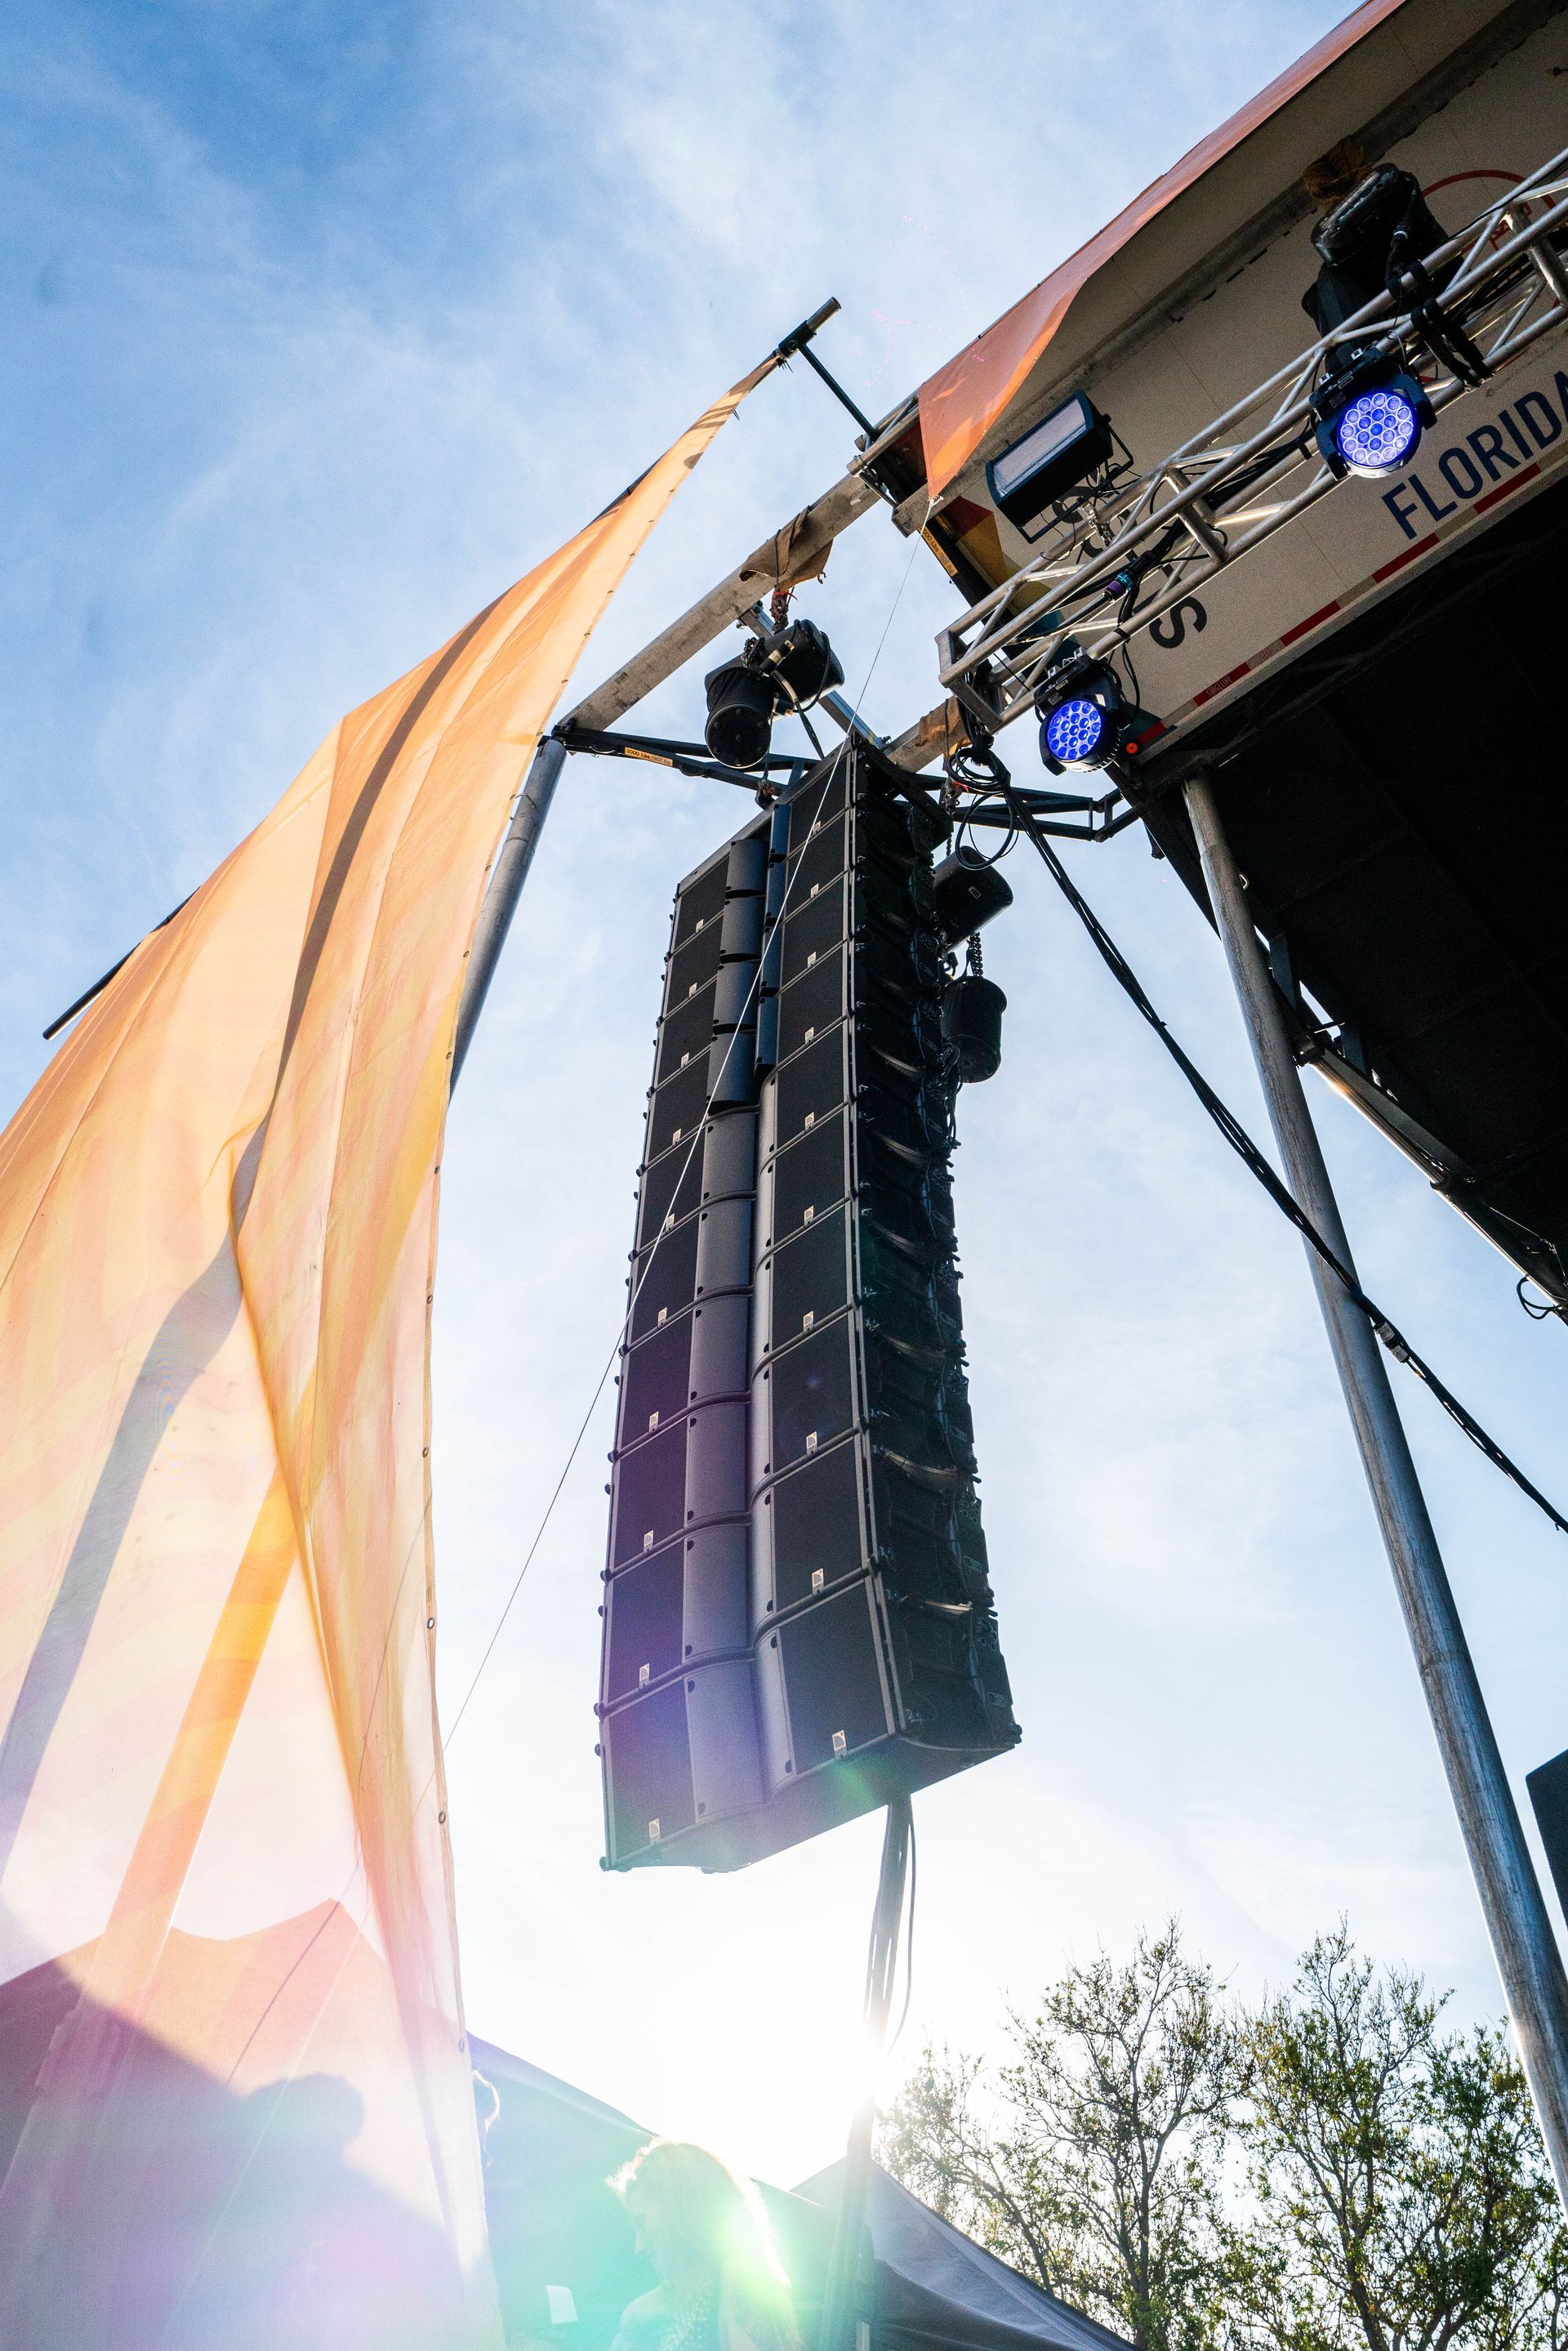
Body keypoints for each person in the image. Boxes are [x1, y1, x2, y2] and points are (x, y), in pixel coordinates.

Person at [610, 2140, 799, 2351]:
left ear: (678, 2205)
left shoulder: (740, 2272)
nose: (639, 2247)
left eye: (641, 2222)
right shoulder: (688, 2297)